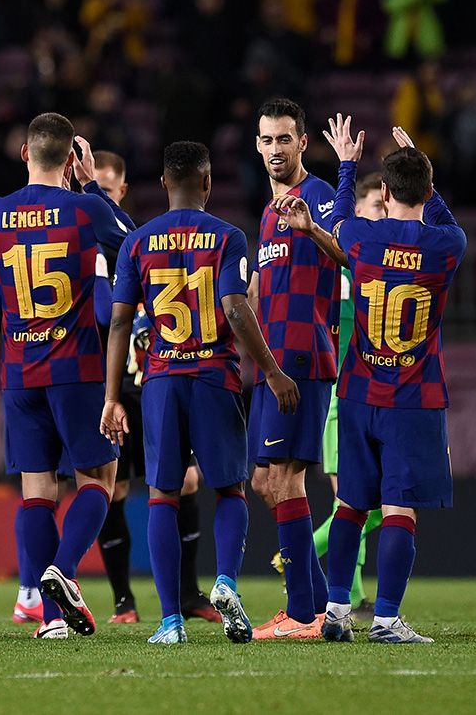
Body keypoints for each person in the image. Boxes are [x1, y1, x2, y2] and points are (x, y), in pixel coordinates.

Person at [276, 113, 467, 643]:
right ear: (426, 190)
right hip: (415, 395)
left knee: (350, 505)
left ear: (382, 192)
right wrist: (428, 181)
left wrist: (344, 166)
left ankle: (336, 611)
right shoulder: (447, 246)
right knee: (399, 507)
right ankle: (384, 618)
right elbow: (447, 222)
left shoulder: (361, 236)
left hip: (358, 389)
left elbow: (335, 221)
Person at [102, 141, 300, 644]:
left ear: (164, 183)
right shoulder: (228, 236)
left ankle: (170, 622)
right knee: (229, 488)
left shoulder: (138, 242)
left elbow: (121, 320)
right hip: (214, 375)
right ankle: (226, 581)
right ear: (208, 183)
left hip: (161, 382)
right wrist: (273, 372)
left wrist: (110, 397)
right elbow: (236, 309)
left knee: (162, 495)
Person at [0, 113, 130, 640]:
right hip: (76, 367)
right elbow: (133, 245)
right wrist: (91, 184)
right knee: (100, 481)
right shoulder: (85, 207)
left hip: (19, 369)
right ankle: (62, 572)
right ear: (71, 157)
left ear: (25, 153)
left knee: (37, 492)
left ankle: (49, 620)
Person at [89, 151, 217, 625]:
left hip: (159, 379)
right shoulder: (78, 248)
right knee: (114, 486)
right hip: (113, 383)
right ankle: (123, 599)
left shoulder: (134, 242)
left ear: (121, 192)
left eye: (104, 191)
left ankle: (188, 594)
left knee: (184, 481)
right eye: (90, 190)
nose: (96, 199)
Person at [246, 98, 336, 641]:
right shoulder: (268, 208)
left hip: (300, 357)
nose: (275, 149)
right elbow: (264, 284)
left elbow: (348, 253)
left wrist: (310, 231)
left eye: (284, 139)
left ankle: (303, 612)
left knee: (285, 477)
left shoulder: (319, 197)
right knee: (263, 479)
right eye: (267, 140)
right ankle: (320, 603)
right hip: (269, 358)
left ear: (303, 142)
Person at [305, 173, 387, 617]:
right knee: (353, 504)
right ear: (356, 212)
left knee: (367, 506)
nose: (383, 212)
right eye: (376, 205)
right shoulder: (340, 268)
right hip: (340, 397)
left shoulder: (381, 265)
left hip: (373, 393)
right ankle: (349, 596)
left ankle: (302, 554)